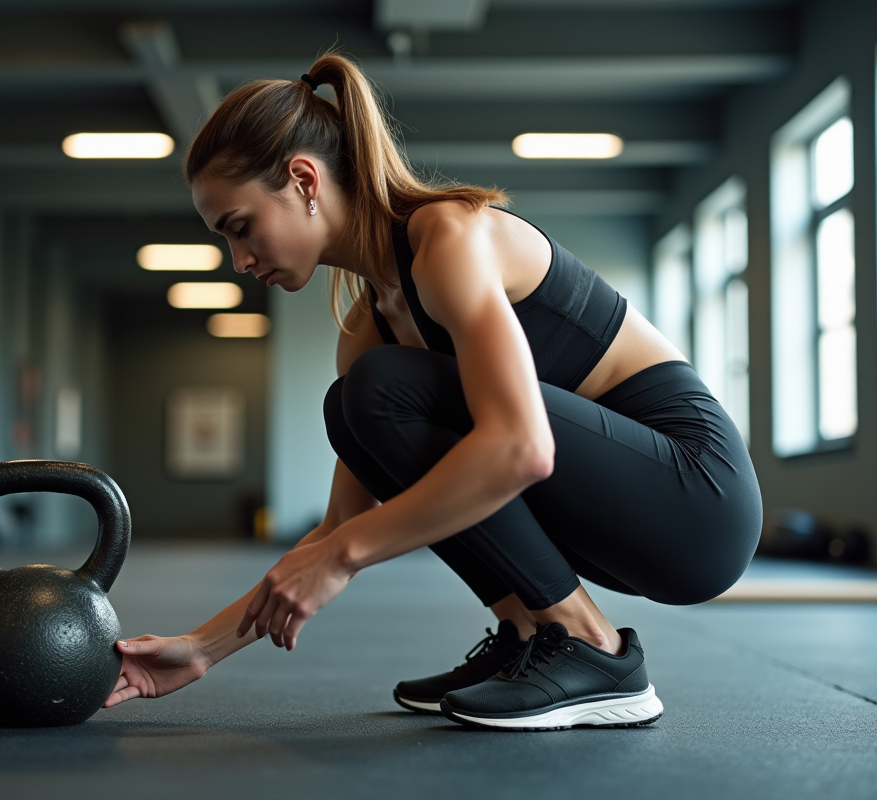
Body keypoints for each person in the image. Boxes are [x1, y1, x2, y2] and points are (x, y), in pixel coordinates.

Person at [102, 53, 762, 731]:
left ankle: (590, 645)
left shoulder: (448, 237)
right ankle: (528, 632)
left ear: (303, 179)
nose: (240, 261)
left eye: (240, 227)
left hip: (697, 499)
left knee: (379, 390)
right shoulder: (368, 326)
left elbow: (522, 449)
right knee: (350, 405)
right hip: (612, 515)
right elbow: (339, 526)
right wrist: (200, 649)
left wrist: (342, 557)